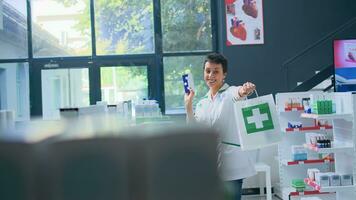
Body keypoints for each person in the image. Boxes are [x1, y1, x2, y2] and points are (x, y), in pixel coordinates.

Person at [184, 53, 257, 200]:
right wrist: (188, 105)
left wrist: (245, 89)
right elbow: (193, 130)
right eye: (208, 71)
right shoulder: (202, 103)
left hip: (232, 166)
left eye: (216, 71)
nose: (211, 75)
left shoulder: (230, 93)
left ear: (224, 74)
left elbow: (239, 93)